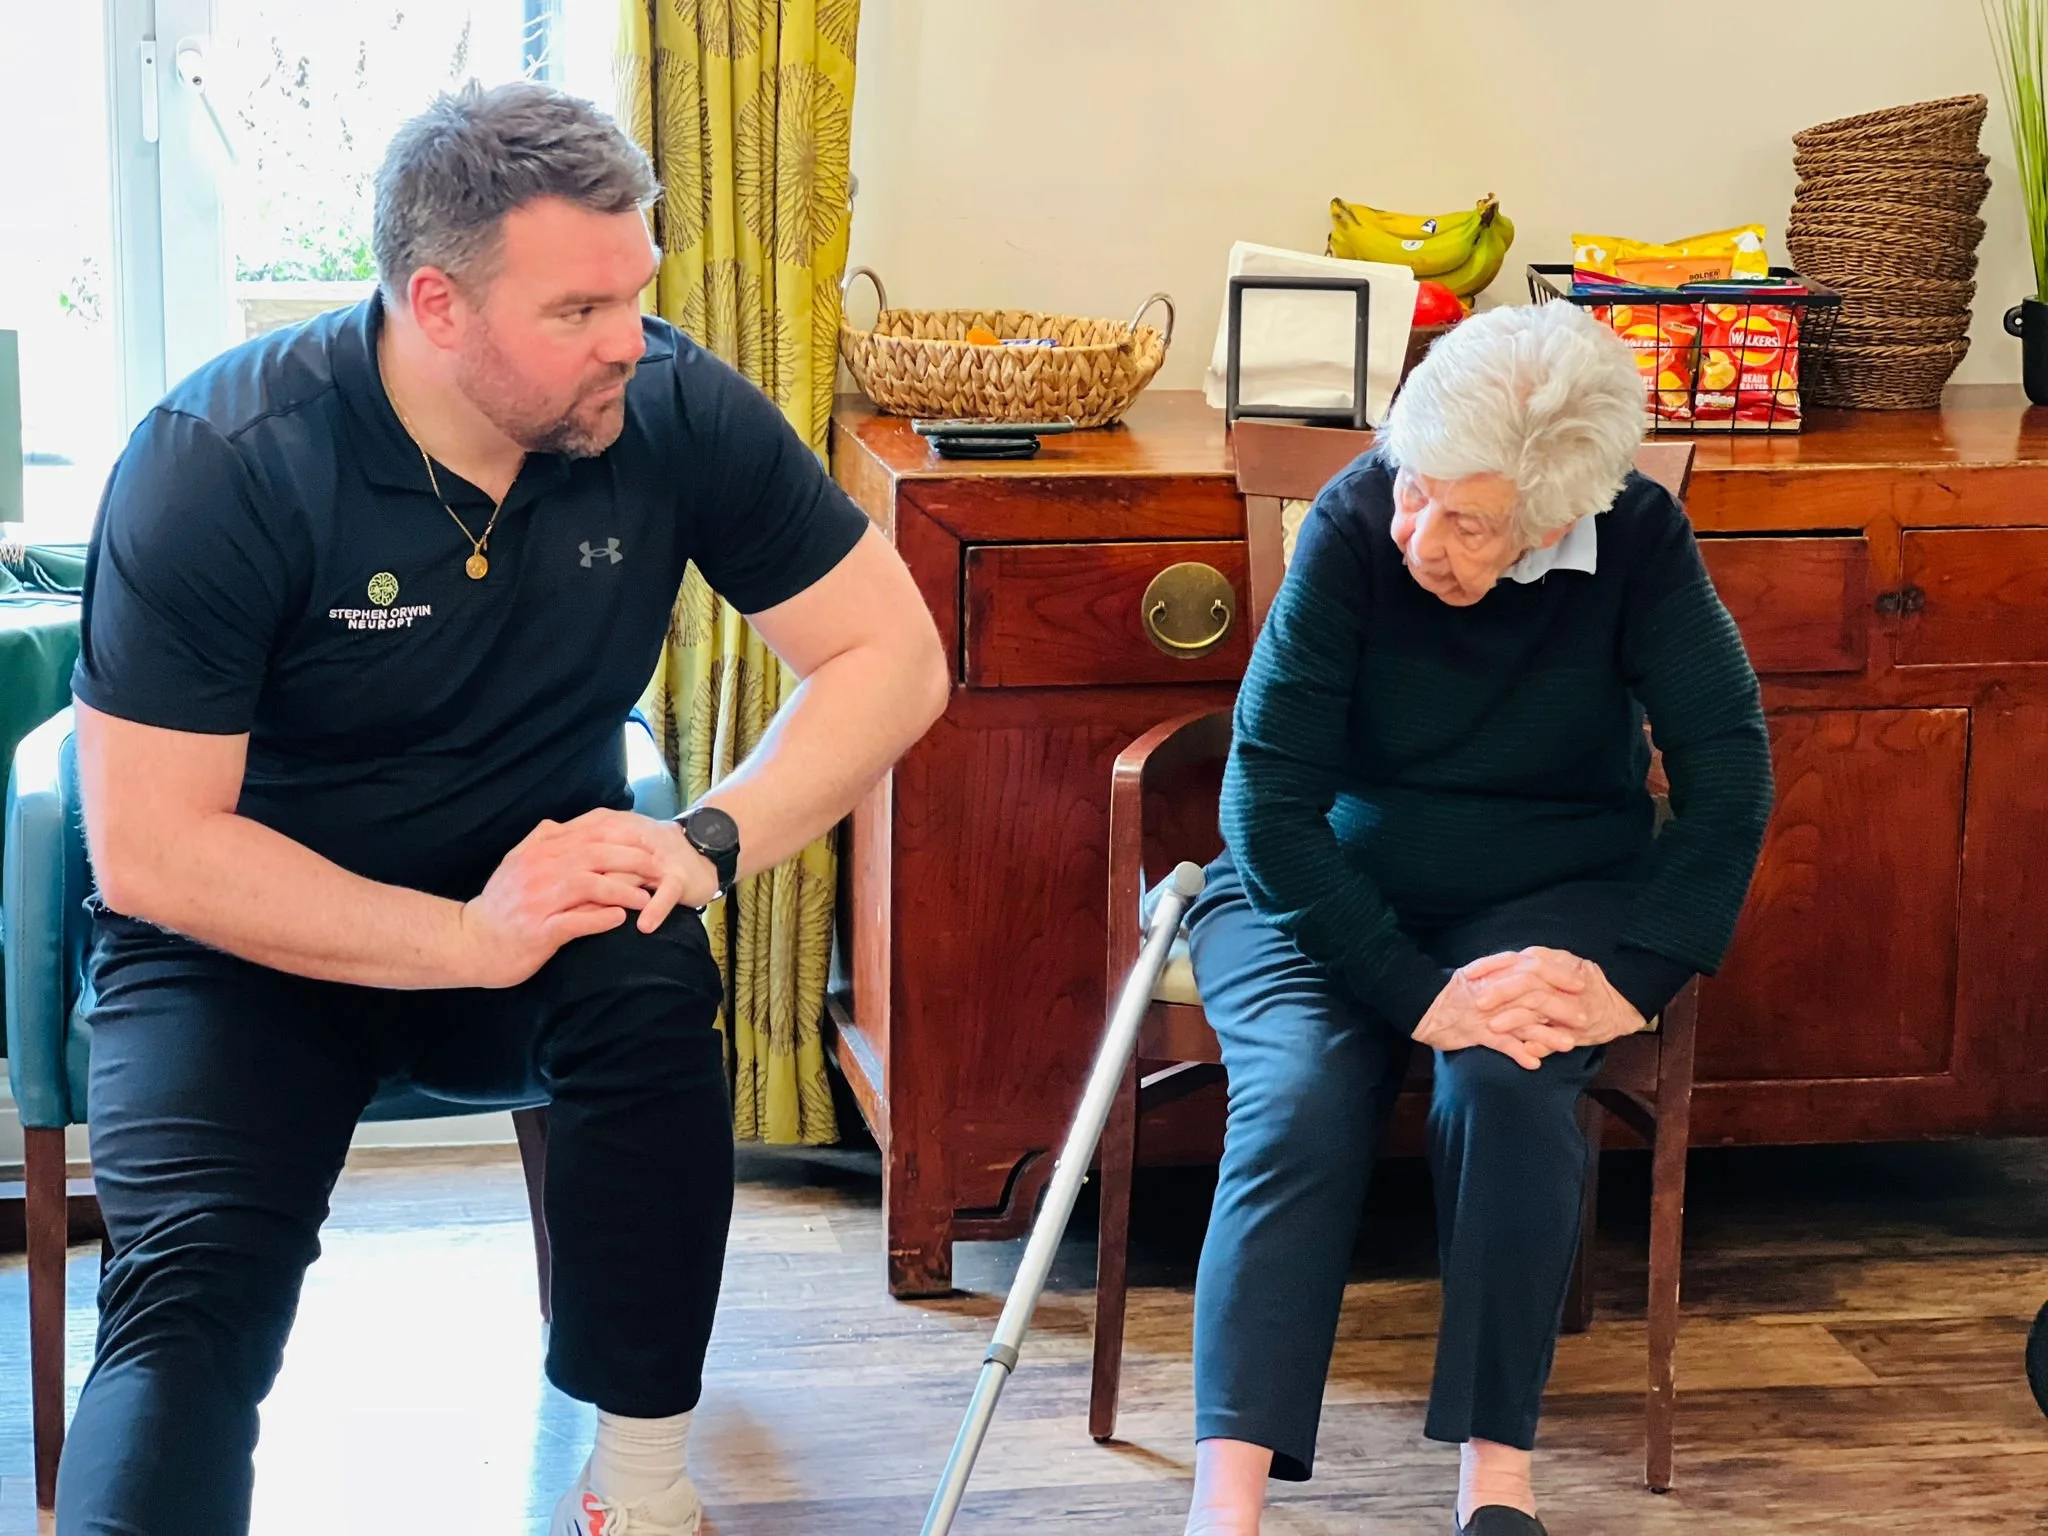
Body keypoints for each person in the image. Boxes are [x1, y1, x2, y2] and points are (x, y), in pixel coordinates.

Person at [60, 80, 948, 1536]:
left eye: (637, 292)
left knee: (655, 968)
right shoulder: (221, 464)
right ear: (437, 302)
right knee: (186, 1305)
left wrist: (703, 842)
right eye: (579, 311)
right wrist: (460, 938)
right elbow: (153, 851)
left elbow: (892, 655)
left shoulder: (664, 404)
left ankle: (642, 1489)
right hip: (247, 945)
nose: (631, 340)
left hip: (535, 912)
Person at [1179, 302, 1774, 1536]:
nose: (1414, 534)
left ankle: (1495, 1479)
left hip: (1548, 885)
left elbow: (1728, 768)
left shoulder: (1638, 542)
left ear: (1557, 515)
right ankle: (1222, 1502)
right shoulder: (1357, 519)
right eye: (1412, 490)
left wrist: (1638, 974)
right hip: (1315, 886)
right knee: (1292, 1100)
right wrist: (1414, 990)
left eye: (1464, 519)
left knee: (1505, 1089)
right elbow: (1265, 798)